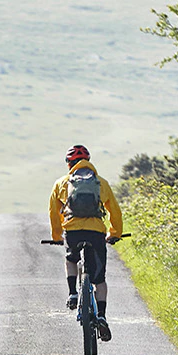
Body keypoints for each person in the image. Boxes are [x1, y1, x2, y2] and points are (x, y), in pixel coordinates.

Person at [47, 144, 124, 342]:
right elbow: (115, 211)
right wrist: (115, 233)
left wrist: (57, 236)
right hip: (96, 233)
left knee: (71, 259)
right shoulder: (101, 183)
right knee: (99, 279)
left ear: (69, 164)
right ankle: (102, 315)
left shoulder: (62, 183)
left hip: (72, 232)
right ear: (88, 162)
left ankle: (73, 293)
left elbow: (54, 213)